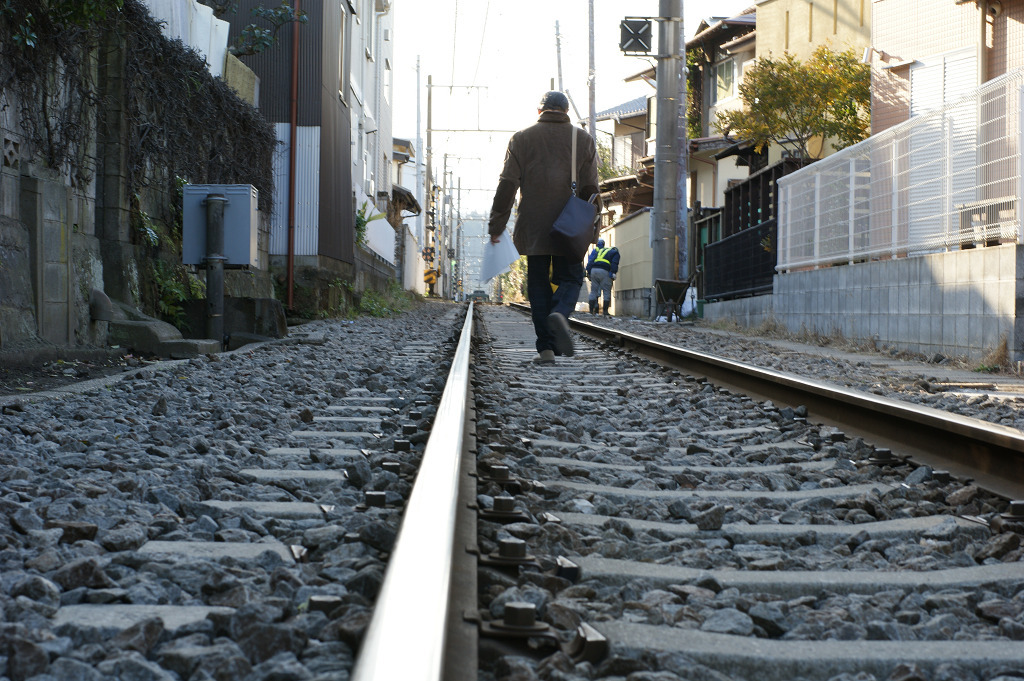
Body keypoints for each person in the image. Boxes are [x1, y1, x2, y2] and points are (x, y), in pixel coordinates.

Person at [488, 90, 600, 365]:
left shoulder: (521, 139)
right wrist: (591, 230)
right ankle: (561, 313)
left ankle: (546, 349)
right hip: (570, 224)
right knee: (571, 277)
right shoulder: (583, 139)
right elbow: (590, 191)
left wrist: (497, 224)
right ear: (565, 112)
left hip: (534, 224)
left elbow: (507, 185)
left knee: (538, 284)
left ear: (540, 112)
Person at [586, 239, 619, 316]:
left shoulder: (598, 251)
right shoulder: (615, 253)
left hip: (594, 270)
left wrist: (588, 271)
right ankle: (605, 312)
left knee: (593, 291)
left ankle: (591, 310)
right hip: (604, 271)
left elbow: (591, 260)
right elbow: (614, 263)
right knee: (606, 291)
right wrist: (613, 273)